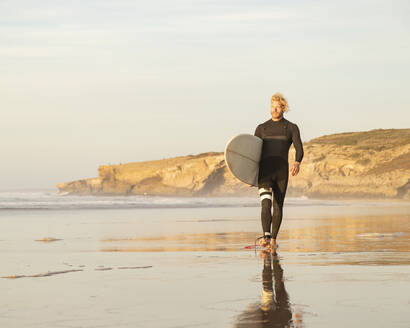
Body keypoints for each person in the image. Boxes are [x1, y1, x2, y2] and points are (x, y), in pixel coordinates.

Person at [254, 93, 304, 250]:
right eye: (272, 107)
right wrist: (250, 175)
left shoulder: (291, 127)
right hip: (265, 172)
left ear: (283, 108)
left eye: (277, 107)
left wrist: (297, 162)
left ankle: (273, 239)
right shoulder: (261, 128)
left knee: (278, 205)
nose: (274, 110)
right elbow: (252, 153)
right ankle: (266, 236)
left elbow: (299, 148)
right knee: (265, 203)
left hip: (281, 172)